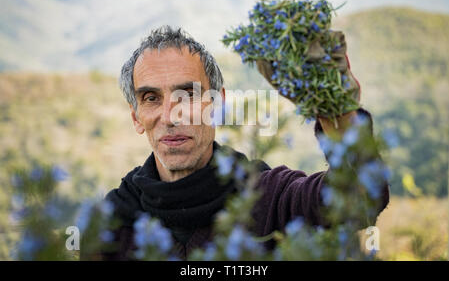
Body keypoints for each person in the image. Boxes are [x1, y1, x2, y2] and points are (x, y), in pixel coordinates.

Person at [92, 25, 389, 260]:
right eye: (151, 98)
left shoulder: (269, 197)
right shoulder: (113, 219)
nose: (171, 116)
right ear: (136, 118)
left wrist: (340, 115)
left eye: (189, 94)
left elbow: (359, 201)